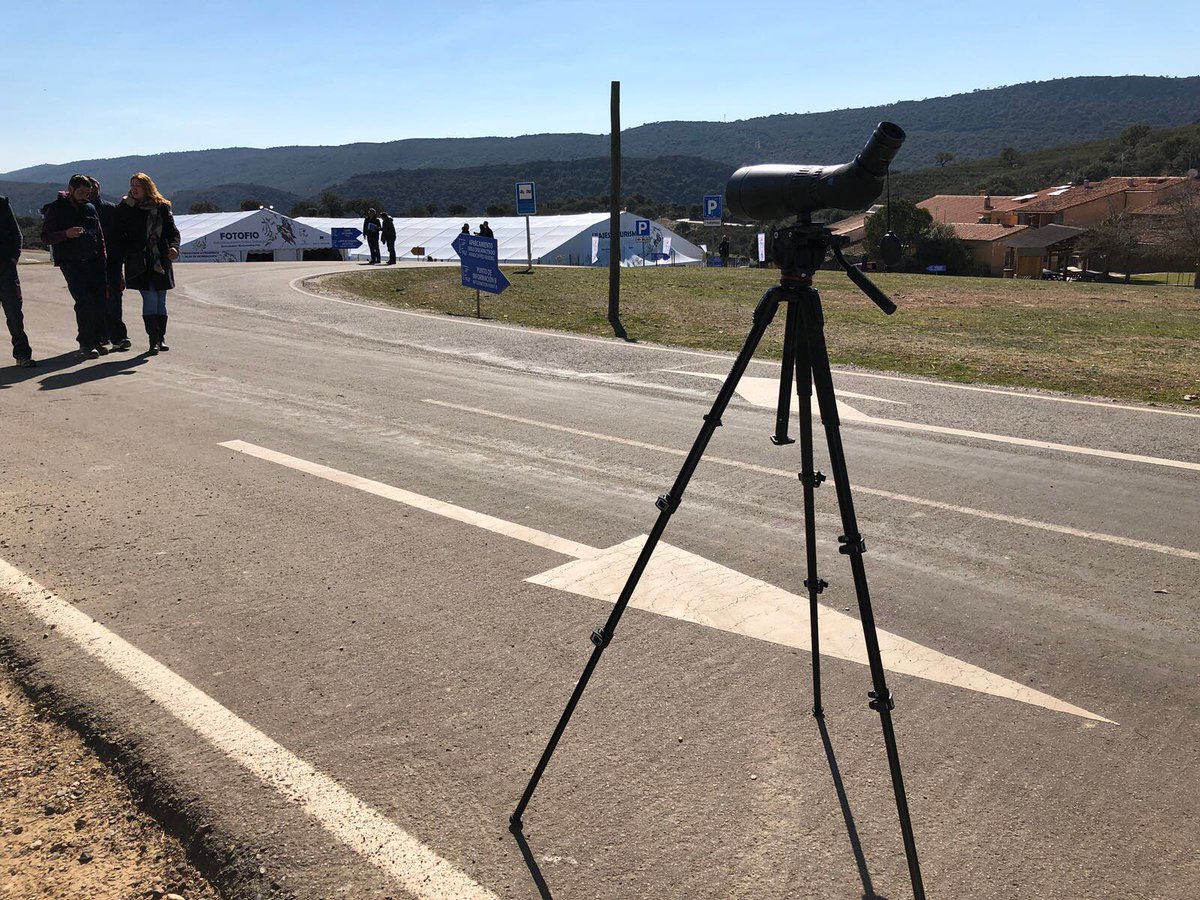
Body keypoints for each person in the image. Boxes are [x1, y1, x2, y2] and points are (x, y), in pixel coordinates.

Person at [42, 174, 108, 358]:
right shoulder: (56, 209)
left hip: (94, 262)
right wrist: (65, 234)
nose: (85, 196)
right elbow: (45, 236)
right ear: (70, 189)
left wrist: (103, 257)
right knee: (84, 302)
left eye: (88, 193)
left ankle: (97, 339)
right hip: (71, 263)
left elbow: (99, 235)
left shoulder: (90, 208)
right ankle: (86, 344)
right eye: (81, 192)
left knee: (99, 302)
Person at [114, 173, 179, 356]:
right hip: (139, 261)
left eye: (138, 185)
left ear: (147, 187)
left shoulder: (162, 207)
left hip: (160, 259)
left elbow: (173, 232)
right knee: (150, 299)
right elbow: (118, 235)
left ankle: (161, 337)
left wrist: (174, 247)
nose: (134, 188)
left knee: (161, 300)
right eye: (132, 184)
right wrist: (129, 252)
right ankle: (153, 341)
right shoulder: (125, 208)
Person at [88, 177, 131, 351]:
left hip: (113, 262)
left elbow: (121, 236)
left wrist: (121, 258)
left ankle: (119, 337)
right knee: (94, 302)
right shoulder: (80, 210)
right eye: (88, 188)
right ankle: (100, 336)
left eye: (94, 187)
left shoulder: (110, 209)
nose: (92, 190)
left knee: (115, 299)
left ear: (99, 188)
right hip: (89, 263)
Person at [0, 194, 35, 367]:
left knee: (14, 313)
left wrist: (13, 258)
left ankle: (22, 354)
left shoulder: (1, 203)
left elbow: (16, 234)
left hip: (5, 269)